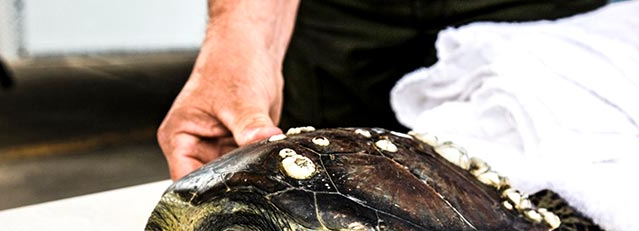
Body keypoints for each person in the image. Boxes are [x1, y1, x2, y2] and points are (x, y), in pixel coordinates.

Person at [158, 0, 607, 180]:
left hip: (536, 12)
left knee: (546, 177)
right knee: (312, 181)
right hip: (348, 14)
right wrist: (243, 34)